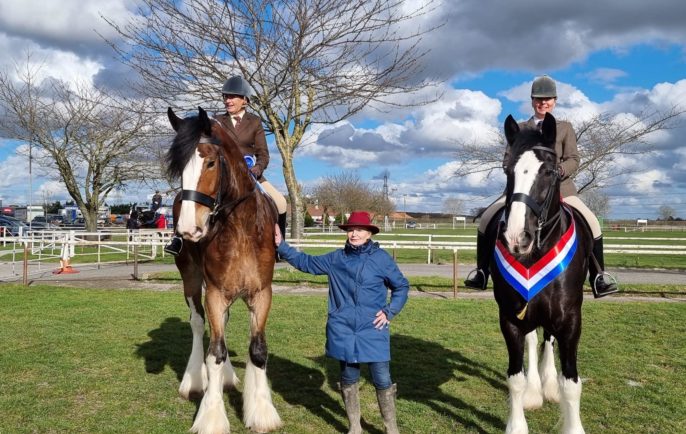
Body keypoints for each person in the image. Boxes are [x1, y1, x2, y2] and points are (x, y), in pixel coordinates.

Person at [464, 75, 618, 298]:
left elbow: (574, 158)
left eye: (547, 99)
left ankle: (599, 276)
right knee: (487, 219)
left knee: (592, 222)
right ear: (532, 100)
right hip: (522, 190)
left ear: (554, 101)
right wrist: (511, 165)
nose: (543, 103)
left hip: (561, 189)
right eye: (538, 99)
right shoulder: (520, 127)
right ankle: (481, 272)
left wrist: (560, 170)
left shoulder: (564, 128)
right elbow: (508, 157)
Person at [275, 211, 409, 434]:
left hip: (373, 329)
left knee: (382, 379)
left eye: (359, 230)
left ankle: (391, 428)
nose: (354, 233)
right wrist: (281, 245)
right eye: (350, 229)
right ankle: (354, 427)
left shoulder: (381, 259)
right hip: (343, 329)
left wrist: (389, 311)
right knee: (348, 378)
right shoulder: (336, 259)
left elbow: (401, 287)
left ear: (369, 233)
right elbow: (306, 262)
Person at [164, 75, 288, 256]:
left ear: (244, 100)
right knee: (193, 195)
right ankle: (179, 238)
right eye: (225, 97)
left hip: (252, 175)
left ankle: (280, 246)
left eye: (232, 96)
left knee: (281, 202)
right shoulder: (216, 122)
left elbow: (263, 154)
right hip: (223, 175)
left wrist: (258, 168)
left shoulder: (255, 122)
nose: (227, 100)